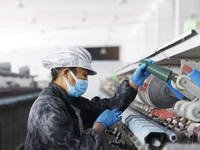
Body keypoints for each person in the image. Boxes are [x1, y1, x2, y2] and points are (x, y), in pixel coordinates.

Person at [24, 46, 154, 150]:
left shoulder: (68, 100)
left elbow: (105, 108)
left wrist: (133, 84)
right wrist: (99, 126)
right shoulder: (48, 107)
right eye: (84, 75)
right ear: (66, 73)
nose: (86, 80)